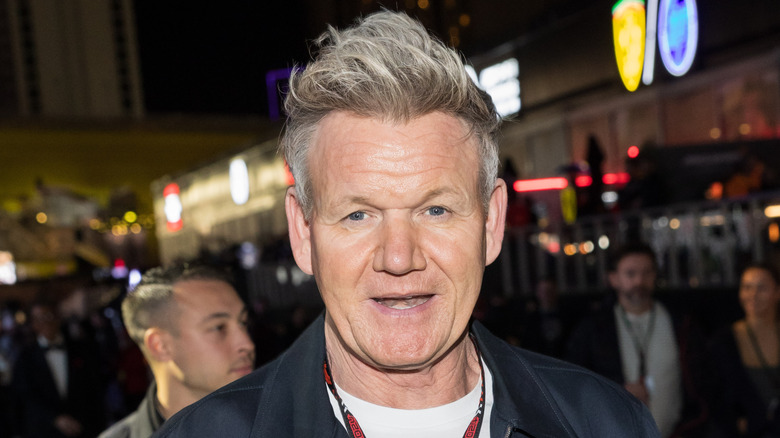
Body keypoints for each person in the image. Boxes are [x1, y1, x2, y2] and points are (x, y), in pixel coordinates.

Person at [152, 11, 658, 438]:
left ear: (492, 222)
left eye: (435, 210)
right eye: (358, 215)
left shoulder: (607, 424)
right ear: (303, 232)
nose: (399, 258)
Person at [566, 243, 708, 437]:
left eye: (647, 272)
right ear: (614, 279)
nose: (639, 281)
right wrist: (617, 391)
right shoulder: (592, 329)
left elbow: (702, 382)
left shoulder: (681, 324)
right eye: (630, 274)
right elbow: (575, 383)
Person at [98, 264, 256, 438]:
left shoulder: (277, 423)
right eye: (218, 328)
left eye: (243, 323)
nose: (247, 344)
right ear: (160, 346)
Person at [11, 296, 105, 438]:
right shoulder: (25, 358)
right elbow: (26, 396)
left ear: (58, 318)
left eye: (49, 316)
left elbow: (93, 388)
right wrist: (54, 419)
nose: (46, 322)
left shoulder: (81, 349)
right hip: (44, 431)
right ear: (33, 324)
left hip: (82, 428)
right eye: (40, 318)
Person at [707, 262, 780, 437]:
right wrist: (738, 423)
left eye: (762, 288)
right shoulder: (723, 342)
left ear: (778, 292)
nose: (753, 294)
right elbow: (714, 397)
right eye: (747, 287)